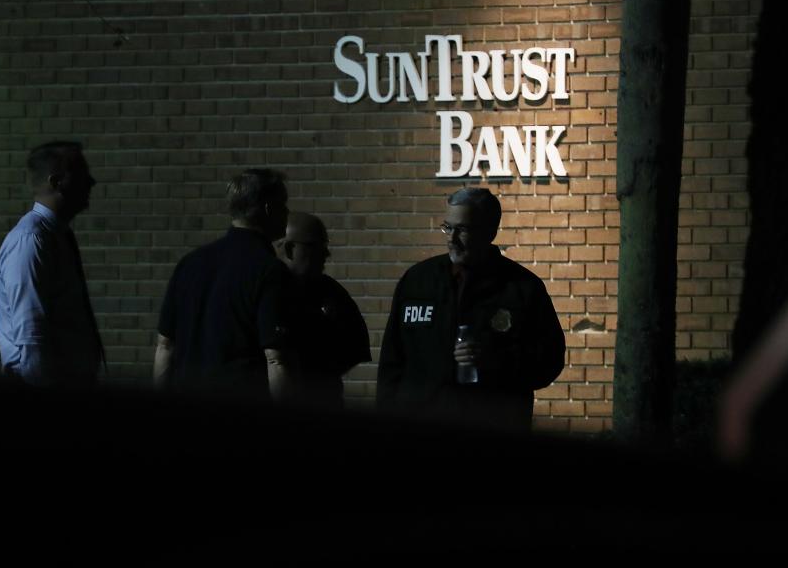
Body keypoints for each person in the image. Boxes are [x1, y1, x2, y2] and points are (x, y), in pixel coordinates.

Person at [376, 187, 566, 431]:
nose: (451, 238)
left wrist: (494, 359)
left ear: (490, 232)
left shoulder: (522, 289)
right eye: (448, 227)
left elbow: (549, 361)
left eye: (463, 229)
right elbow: (392, 363)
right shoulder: (417, 281)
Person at [154, 169, 296, 401]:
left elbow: (165, 346)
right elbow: (276, 359)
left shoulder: (190, 264)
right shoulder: (269, 271)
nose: (288, 212)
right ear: (269, 208)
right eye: (284, 204)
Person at [0, 141, 104, 387]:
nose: (91, 182)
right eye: (81, 174)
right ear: (57, 182)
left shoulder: (55, 236)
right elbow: (31, 337)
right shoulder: (32, 240)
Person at [278, 212, 371, 409]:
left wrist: (321, 373)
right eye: (316, 247)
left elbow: (357, 344)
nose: (326, 254)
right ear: (289, 249)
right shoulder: (269, 292)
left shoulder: (331, 292)